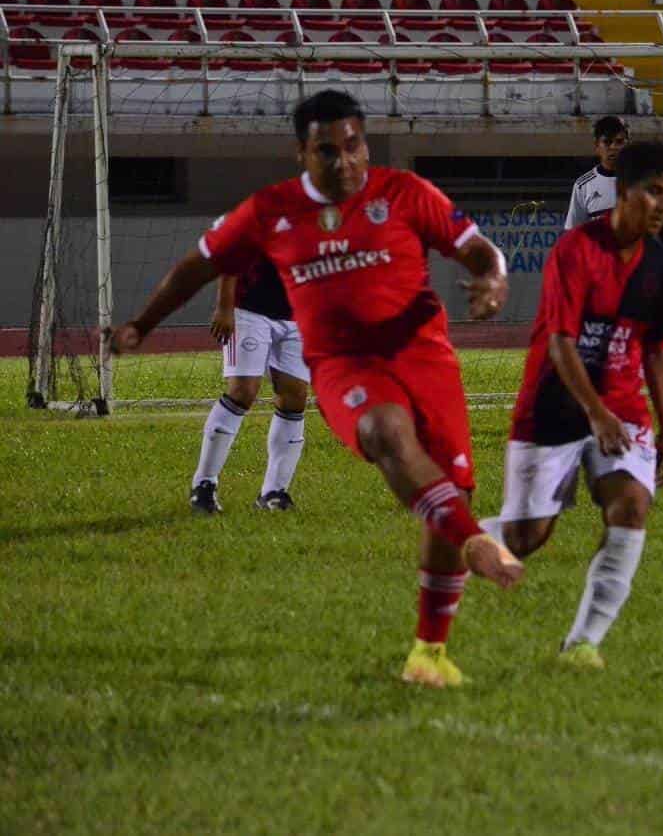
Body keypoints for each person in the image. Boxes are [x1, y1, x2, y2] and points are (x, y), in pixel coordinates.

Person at [110, 90, 523, 688]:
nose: (343, 161)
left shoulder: (405, 193)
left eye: (353, 146)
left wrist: (492, 278)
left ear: (365, 143)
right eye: (326, 150)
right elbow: (194, 267)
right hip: (342, 364)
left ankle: (428, 653)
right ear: (302, 152)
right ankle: (476, 542)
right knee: (386, 435)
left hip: (425, 359)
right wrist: (140, 325)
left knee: (448, 486)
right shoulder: (271, 210)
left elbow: (478, 249)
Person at [481, 141, 663, 669]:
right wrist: (595, 413)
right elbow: (560, 343)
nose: (662, 205)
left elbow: (657, 349)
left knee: (631, 507)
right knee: (526, 537)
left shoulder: (659, 265)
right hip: (554, 406)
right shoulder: (575, 250)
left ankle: (583, 643)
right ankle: (455, 539)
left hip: (623, 409)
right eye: (652, 192)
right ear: (623, 191)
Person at [566, 116, 663, 425]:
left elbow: (662, 229)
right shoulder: (584, 186)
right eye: (608, 142)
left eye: (621, 141)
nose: (615, 148)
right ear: (597, 146)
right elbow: (572, 236)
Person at [190, 262, 309, 515]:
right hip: (249, 311)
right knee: (242, 392)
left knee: (295, 396)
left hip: (298, 313)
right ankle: (204, 484)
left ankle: (274, 492)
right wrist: (225, 307)